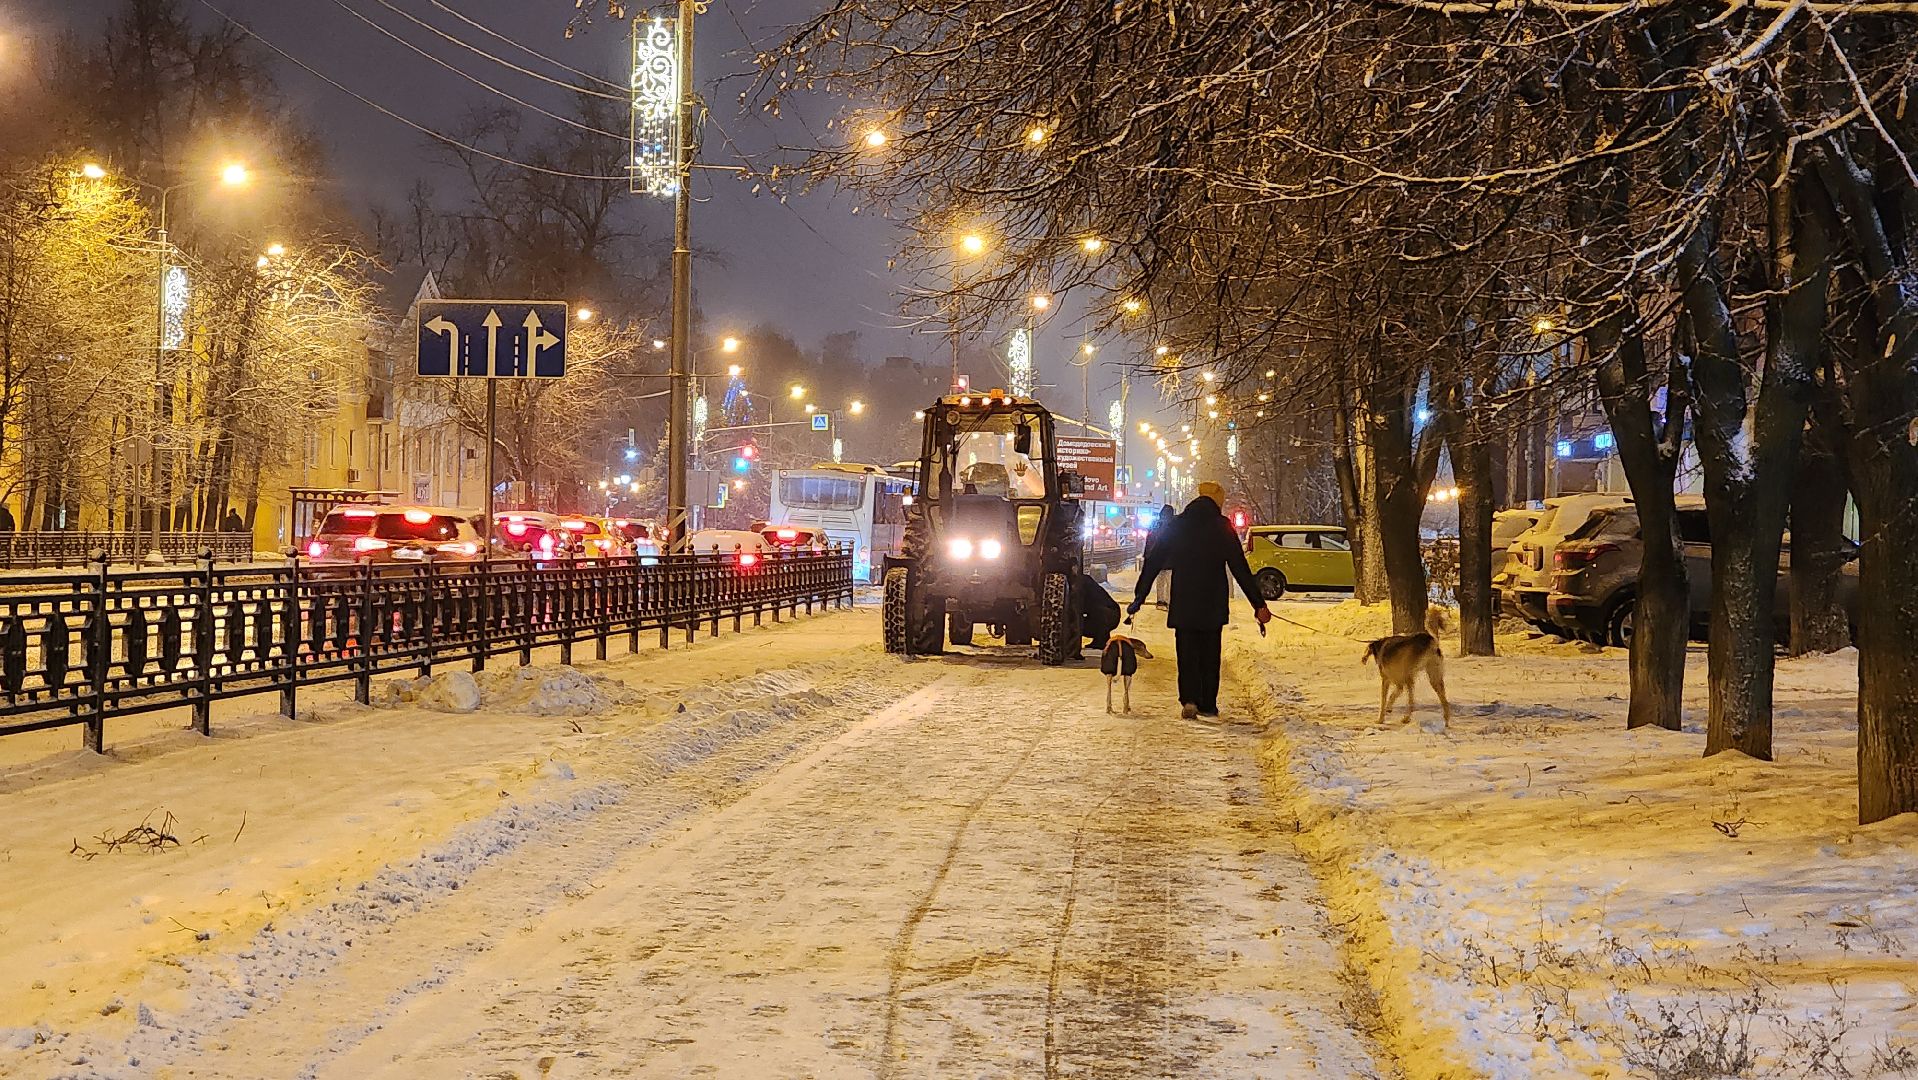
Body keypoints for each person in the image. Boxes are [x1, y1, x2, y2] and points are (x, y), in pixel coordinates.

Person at [1128, 481, 1271, 719]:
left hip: (1184, 599)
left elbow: (1153, 562)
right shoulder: (1222, 527)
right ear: (1217, 502)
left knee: (1186, 653)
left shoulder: (1177, 525)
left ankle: (1189, 699)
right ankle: (1207, 703)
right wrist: (1259, 605)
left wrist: (1139, 597)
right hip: (1212, 601)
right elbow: (1240, 568)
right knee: (1209, 653)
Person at [1075, 573, 1121, 650]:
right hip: (1109, 614)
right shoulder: (1082, 581)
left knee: (1076, 621)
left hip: (1110, 615)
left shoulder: (1081, 584)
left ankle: (1101, 640)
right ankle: (1099, 639)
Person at [1143, 505, 1175, 608]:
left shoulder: (1155, 524)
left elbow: (1149, 540)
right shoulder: (1173, 524)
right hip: (1170, 557)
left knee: (1160, 579)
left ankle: (1160, 601)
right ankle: (1169, 601)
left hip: (1157, 557)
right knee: (1169, 580)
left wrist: (1147, 554)